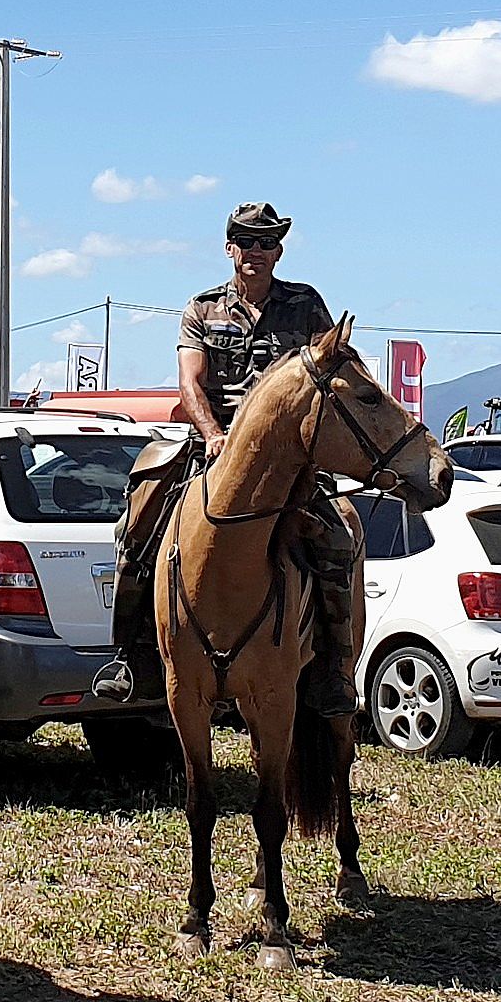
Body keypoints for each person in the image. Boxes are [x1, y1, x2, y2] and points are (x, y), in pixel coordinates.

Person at [92, 201, 363, 717]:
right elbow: (190, 383)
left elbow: (330, 375)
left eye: (266, 242)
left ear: (279, 250)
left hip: (287, 460)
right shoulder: (202, 308)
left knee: (335, 538)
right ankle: (132, 658)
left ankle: (335, 671)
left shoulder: (306, 307)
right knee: (138, 527)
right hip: (210, 448)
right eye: (245, 240)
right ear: (229, 248)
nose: (255, 251)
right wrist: (215, 434)